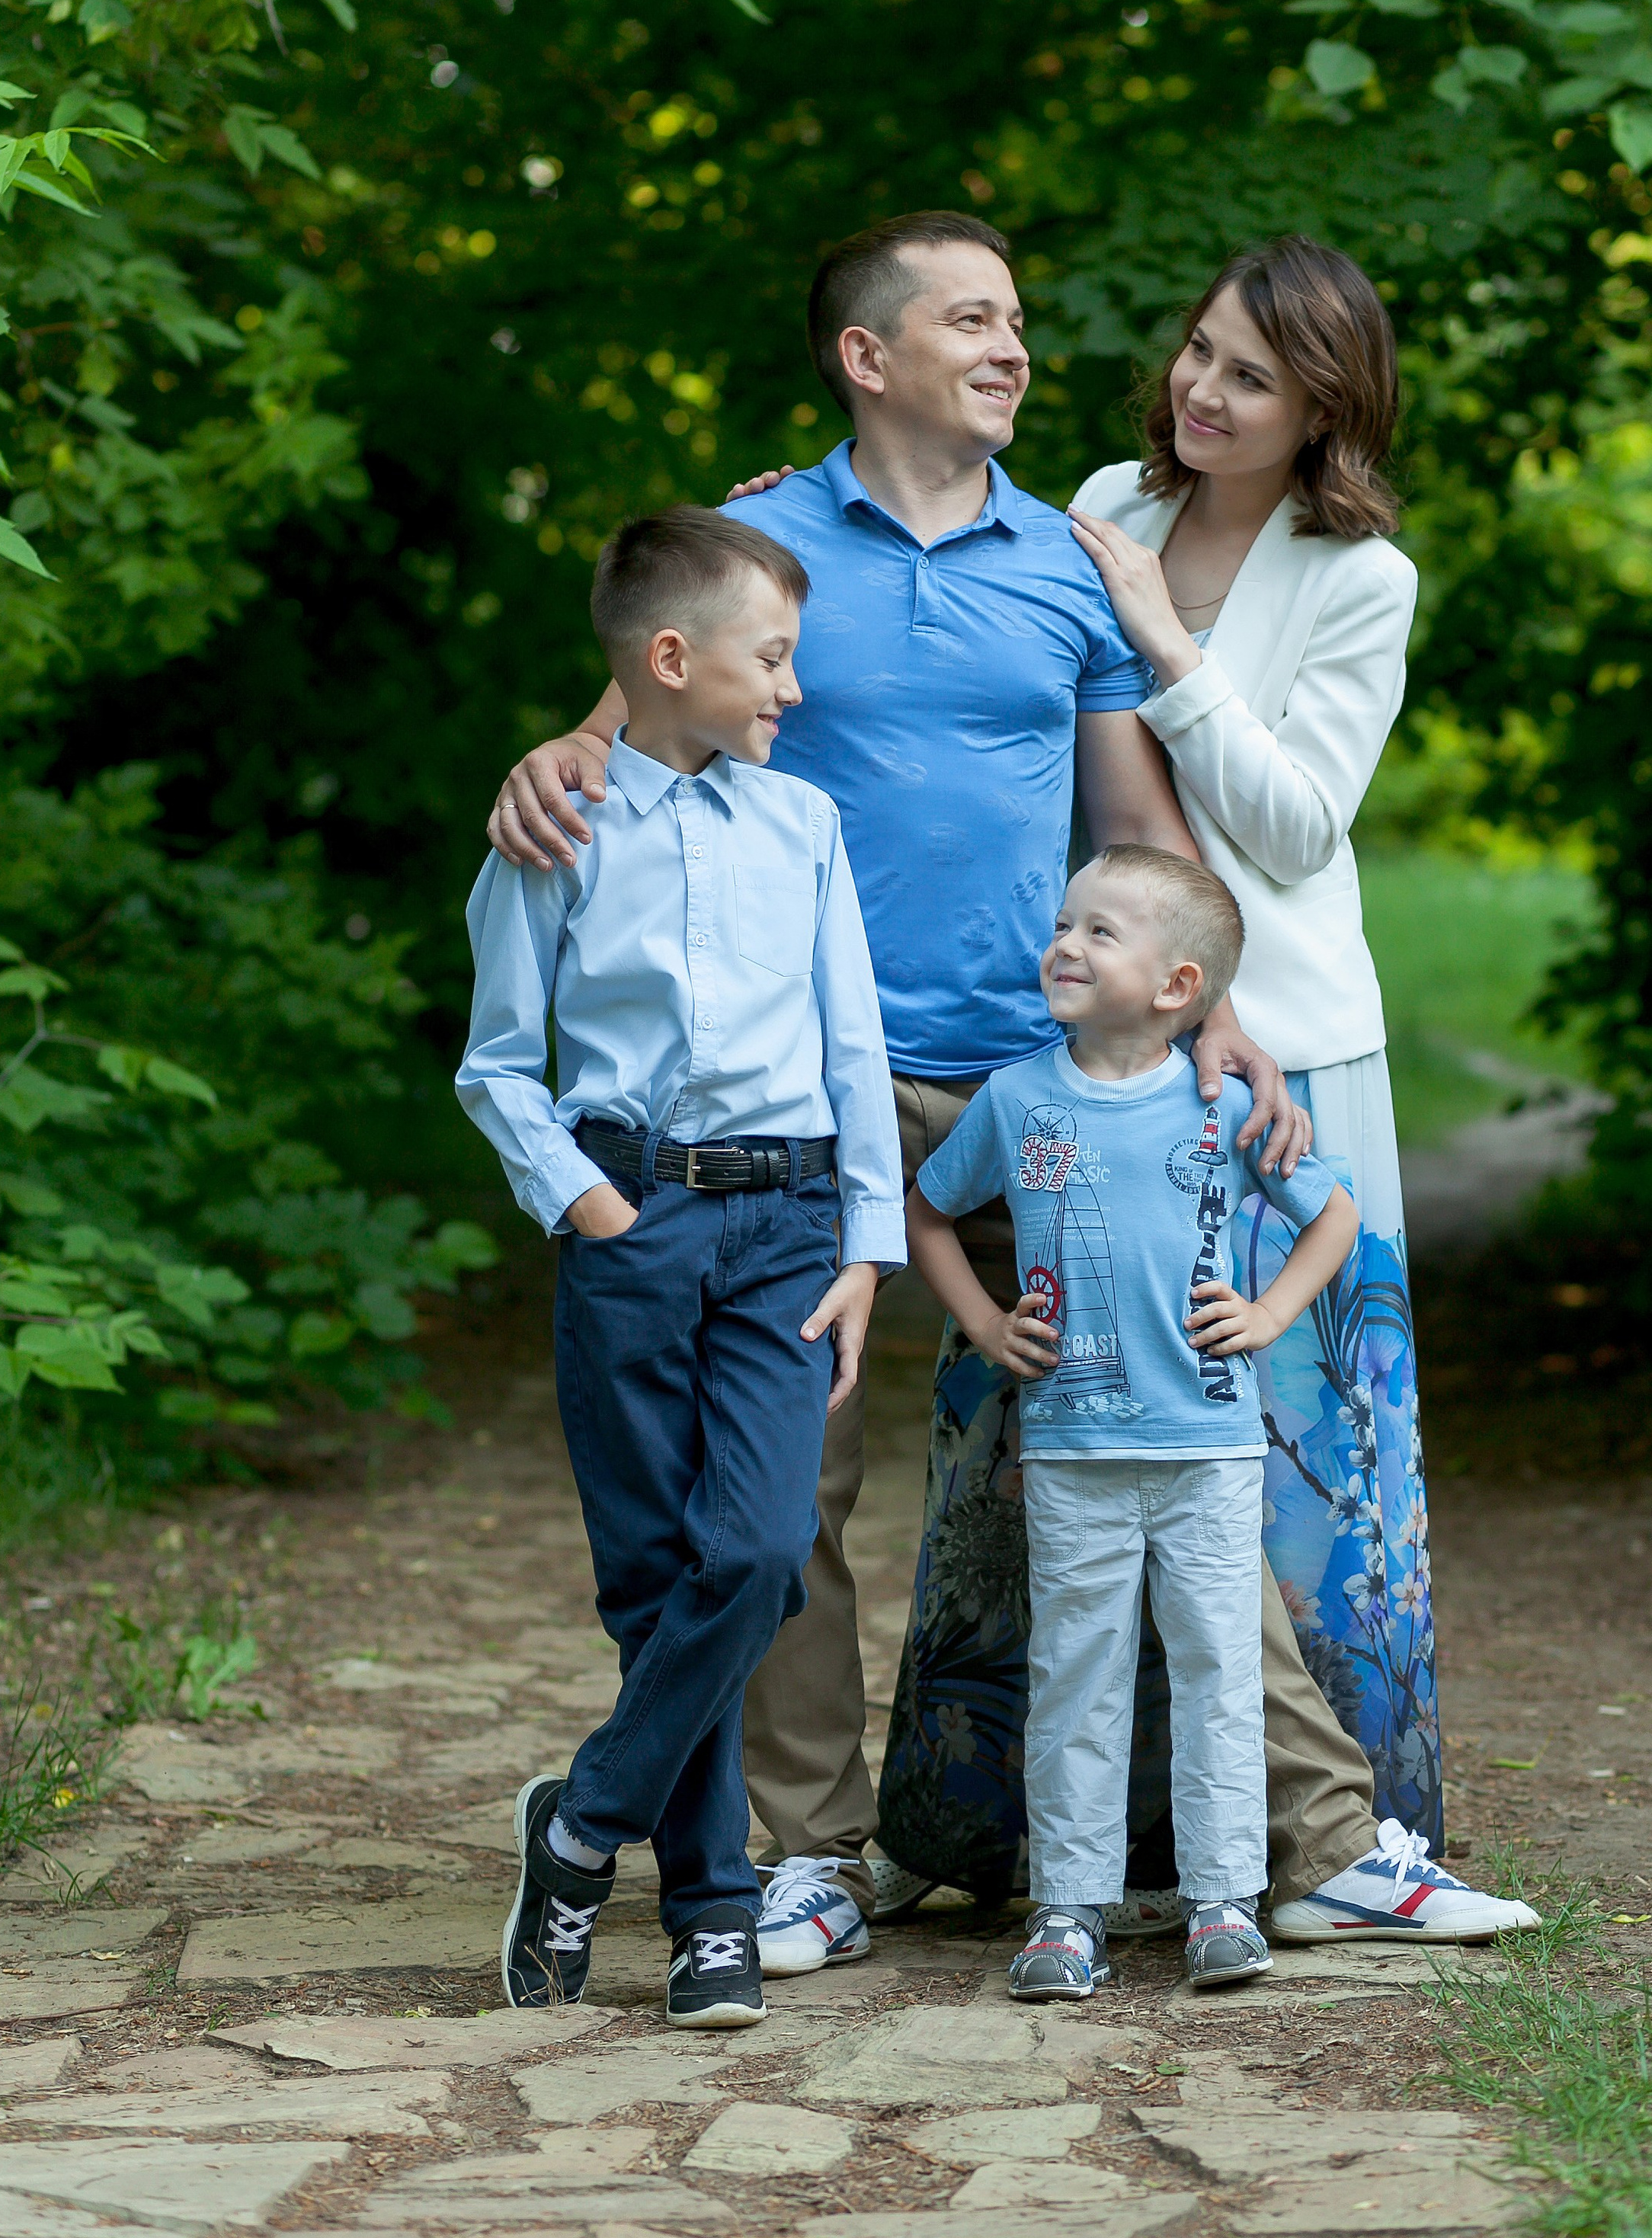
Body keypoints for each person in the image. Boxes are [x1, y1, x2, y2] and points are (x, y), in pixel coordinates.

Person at [485, 210, 1516, 1971]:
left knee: (1162, 1423)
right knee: (786, 1491)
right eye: (971, 318)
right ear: (864, 357)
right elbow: (635, 719)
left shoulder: (1065, 555)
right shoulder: (762, 547)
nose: (1014, 346)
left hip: (1032, 1082)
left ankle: (1322, 1843)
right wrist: (556, 756)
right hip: (789, 1094)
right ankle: (809, 1851)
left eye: (1016, 317)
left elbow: (1127, 813)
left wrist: (1207, 1004)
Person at [1066, 235, 1532, 1936]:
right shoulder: (1105, 499)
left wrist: (1165, 646)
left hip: (1291, 1044)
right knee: (1089, 1425)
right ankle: (1077, 1837)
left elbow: (1295, 826)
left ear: (1324, 408)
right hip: (1108, 1035)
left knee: (1292, 1447)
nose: (1202, 391)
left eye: (1251, 378)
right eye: (1199, 350)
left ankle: (1336, 1845)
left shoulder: (1360, 578)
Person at [456, 507, 904, 2028]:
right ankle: (713, 1913)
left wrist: (867, 1243)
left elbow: (853, 1039)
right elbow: (497, 1064)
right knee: (655, 1579)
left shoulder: (803, 824)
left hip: (787, 1236)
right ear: (669, 658)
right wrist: (589, 1208)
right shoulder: (556, 833)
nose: (791, 687)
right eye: (769, 659)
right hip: (634, 1226)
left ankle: (582, 1827)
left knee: (760, 1549)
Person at [909, 846, 1359, 1999]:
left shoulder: (1223, 1106)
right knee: (1077, 1674)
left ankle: (1224, 1903)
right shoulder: (1018, 1098)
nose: (1065, 944)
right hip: (1072, 1451)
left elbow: (1334, 1216)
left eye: (1100, 932)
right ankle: (1069, 1912)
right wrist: (987, 1324)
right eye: (1065, 923)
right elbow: (929, 1212)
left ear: (1177, 986)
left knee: (1218, 1674)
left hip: (1210, 1449)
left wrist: (1268, 1314)